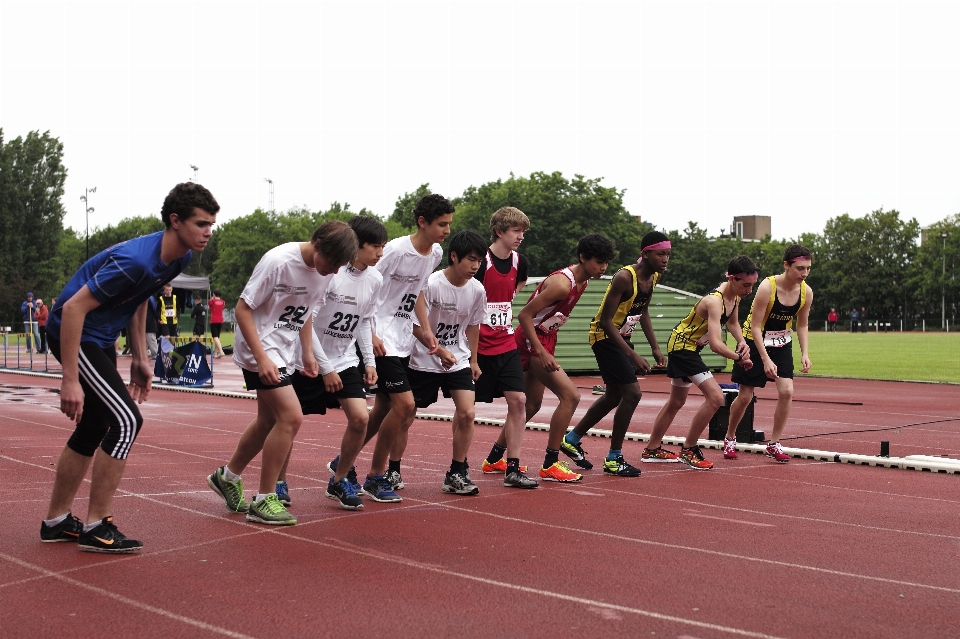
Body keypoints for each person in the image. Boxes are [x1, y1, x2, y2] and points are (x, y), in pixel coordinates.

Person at [39, 182, 219, 552]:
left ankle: (56, 521)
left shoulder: (178, 257)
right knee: (127, 420)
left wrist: (139, 356)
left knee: (97, 422)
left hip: (101, 335)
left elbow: (139, 300)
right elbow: (72, 308)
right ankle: (96, 526)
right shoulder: (135, 259)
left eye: (211, 224)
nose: (208, 232)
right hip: (76, 331)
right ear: (175, 221)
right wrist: (69, 379)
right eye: (201, 224)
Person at [207, 221, 357, 525]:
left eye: (341, 266)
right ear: (317, 246)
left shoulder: (326, 272)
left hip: (284, 349)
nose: (334, 272)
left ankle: (228, 476)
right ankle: (264, 499)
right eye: (332, 263)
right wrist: (260, 358)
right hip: (258, 347)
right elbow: (242, 309)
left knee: (268, 420)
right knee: (291, 416)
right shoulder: (278, 262)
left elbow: (305, 313)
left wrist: (307, 353)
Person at [338, 193, 450, 503]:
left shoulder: (435, 254)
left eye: (449, 224)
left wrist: (426, 330)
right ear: (422, 222)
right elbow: (369, 288)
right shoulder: (395, 252)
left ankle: (342, 462)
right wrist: (371, 332)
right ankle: (376, 476)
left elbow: (418, 293)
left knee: (386, 408)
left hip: (403, 337)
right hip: (380, 336)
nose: (446, 230)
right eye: (442, 224)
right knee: (405, 406)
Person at [285, 214, 386, 510]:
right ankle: (278, 482)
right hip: (308, 359)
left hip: (344, 358)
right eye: (375, 247)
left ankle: (339, 478)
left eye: (383, 246)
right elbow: (307, 318)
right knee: (288, 423)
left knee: (360, 418)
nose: (381, 253)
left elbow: (365, 321)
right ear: (357, 245)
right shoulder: (329, 274)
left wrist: (369, 362)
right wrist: (324, 366)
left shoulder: (375, 279)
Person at [561, 231, 672, 476]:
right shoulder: (624, 277)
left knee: (613, 396)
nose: (665, 259)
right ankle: (614, 458)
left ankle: (571, 438)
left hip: (622, 337)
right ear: (645, 254)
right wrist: (632, 355)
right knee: (632, 394)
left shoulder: (653, 277)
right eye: (660, 254)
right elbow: (605, 321)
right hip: (604, 336)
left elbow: (642, 310)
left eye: (668, 254)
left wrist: (654, 346)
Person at [517, 233, 615, 483]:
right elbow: (525, 315)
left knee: (531, 405)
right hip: (531, 341)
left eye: (606, 262)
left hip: (543, 339)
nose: (603, 267)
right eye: (598, 262)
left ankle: (495, 457)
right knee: (570, 396)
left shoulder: (585, 281)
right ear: (582, 258)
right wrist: (540, 351)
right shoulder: (563, 283)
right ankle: (550, 464)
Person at [644, 256, 758, 470]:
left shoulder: (735, 297)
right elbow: (716, 344)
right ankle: (689, 449)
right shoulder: (714, 301)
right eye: (746, 285)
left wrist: (743, 342)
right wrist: (739, 358)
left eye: (752, 285)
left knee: (676, 402)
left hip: (689, 348)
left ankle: (651, 449)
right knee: (716, 397)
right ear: (732, 279)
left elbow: (733, 323)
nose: (749, 290)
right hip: (682, 348)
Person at [400, 230, 487, 495]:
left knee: (467, 413)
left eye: (480, 261)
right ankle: (392, 469)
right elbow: (414, 325)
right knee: (405, 415)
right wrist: (438, 351)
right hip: (423, 359)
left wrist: (473, 359)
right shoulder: (431, 284)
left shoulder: (477, 290)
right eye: (471, 259)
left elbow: (473, 326)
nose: (475, 266)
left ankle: (456, 472)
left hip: (457, 359)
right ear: (453, 256)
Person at [724, 245, 813, 462]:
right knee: (745, 396)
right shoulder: (767, 286)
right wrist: (765, 359)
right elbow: (755, 327)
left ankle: (774, 443)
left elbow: (802, 325)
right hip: (755, 342)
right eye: (800, 268)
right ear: (786, 265)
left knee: (787, 391)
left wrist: (805, 353)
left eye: (808, 269)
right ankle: (729, 437)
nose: (804, 273)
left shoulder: (806, 292)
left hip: (782, 342)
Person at [475, 207, 538, 489]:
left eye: (523, 231)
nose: (520, 236)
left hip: (505, 342)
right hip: (476, 345)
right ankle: (457, 467)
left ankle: (512, 467)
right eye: (515, 231)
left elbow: (518, 283)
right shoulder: (481, 262)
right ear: (499, 231)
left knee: (519, 400)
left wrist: (508, 298)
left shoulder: (518, 262)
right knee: (465, 409)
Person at [208, 289, 226, 358]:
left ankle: (221, 351)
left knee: (215, 337)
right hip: (220, 320)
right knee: (217, 337)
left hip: (214, 320)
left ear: (214, 294)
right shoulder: (223, 302)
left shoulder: (211, 301)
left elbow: (210, 309)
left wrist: (212, 298)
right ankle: (215, 353)